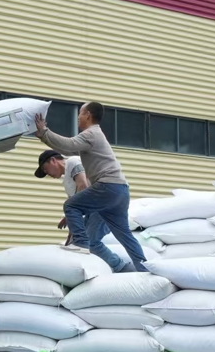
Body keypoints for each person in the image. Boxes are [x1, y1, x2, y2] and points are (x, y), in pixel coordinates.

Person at [34, 102, 148, 272]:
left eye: (80, 113)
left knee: (70, 205)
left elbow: (69, 145)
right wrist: (44, 136)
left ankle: (80, 243)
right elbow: (65, 147)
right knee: (124, 235)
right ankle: (145, 268)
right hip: (120, 190)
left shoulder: (91, 133)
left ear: (87, 114)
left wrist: (45, 132)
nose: (78, 118)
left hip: (107, 186)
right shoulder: (93, 137)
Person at [34, 149, 126, 271]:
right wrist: (70, 229)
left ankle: (121, 267)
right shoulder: (67, 182)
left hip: (102, 205)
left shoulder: (72, 162)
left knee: (91, 243)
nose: (47, 174)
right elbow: (76, 208)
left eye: (46, 169)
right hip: (92, 210)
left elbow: (83, 184)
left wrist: (71, 214)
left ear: (53, 160)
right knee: (83, 244)